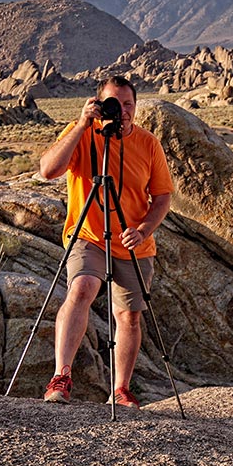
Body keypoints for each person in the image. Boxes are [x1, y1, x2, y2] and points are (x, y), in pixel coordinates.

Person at [39, 76, 173, 409]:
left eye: (128, 104)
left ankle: (121, 390)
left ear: (136, 107)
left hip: (133, 242)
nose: (122, 111)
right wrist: (83, 124)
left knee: (129, 316)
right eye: (115, 103)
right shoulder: (82, 133)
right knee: (82, 287)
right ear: (100, 104)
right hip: (89, 234)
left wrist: (143, 230)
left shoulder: (148, 143)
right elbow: (48, 170)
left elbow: (162, 197)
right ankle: (61, 376)